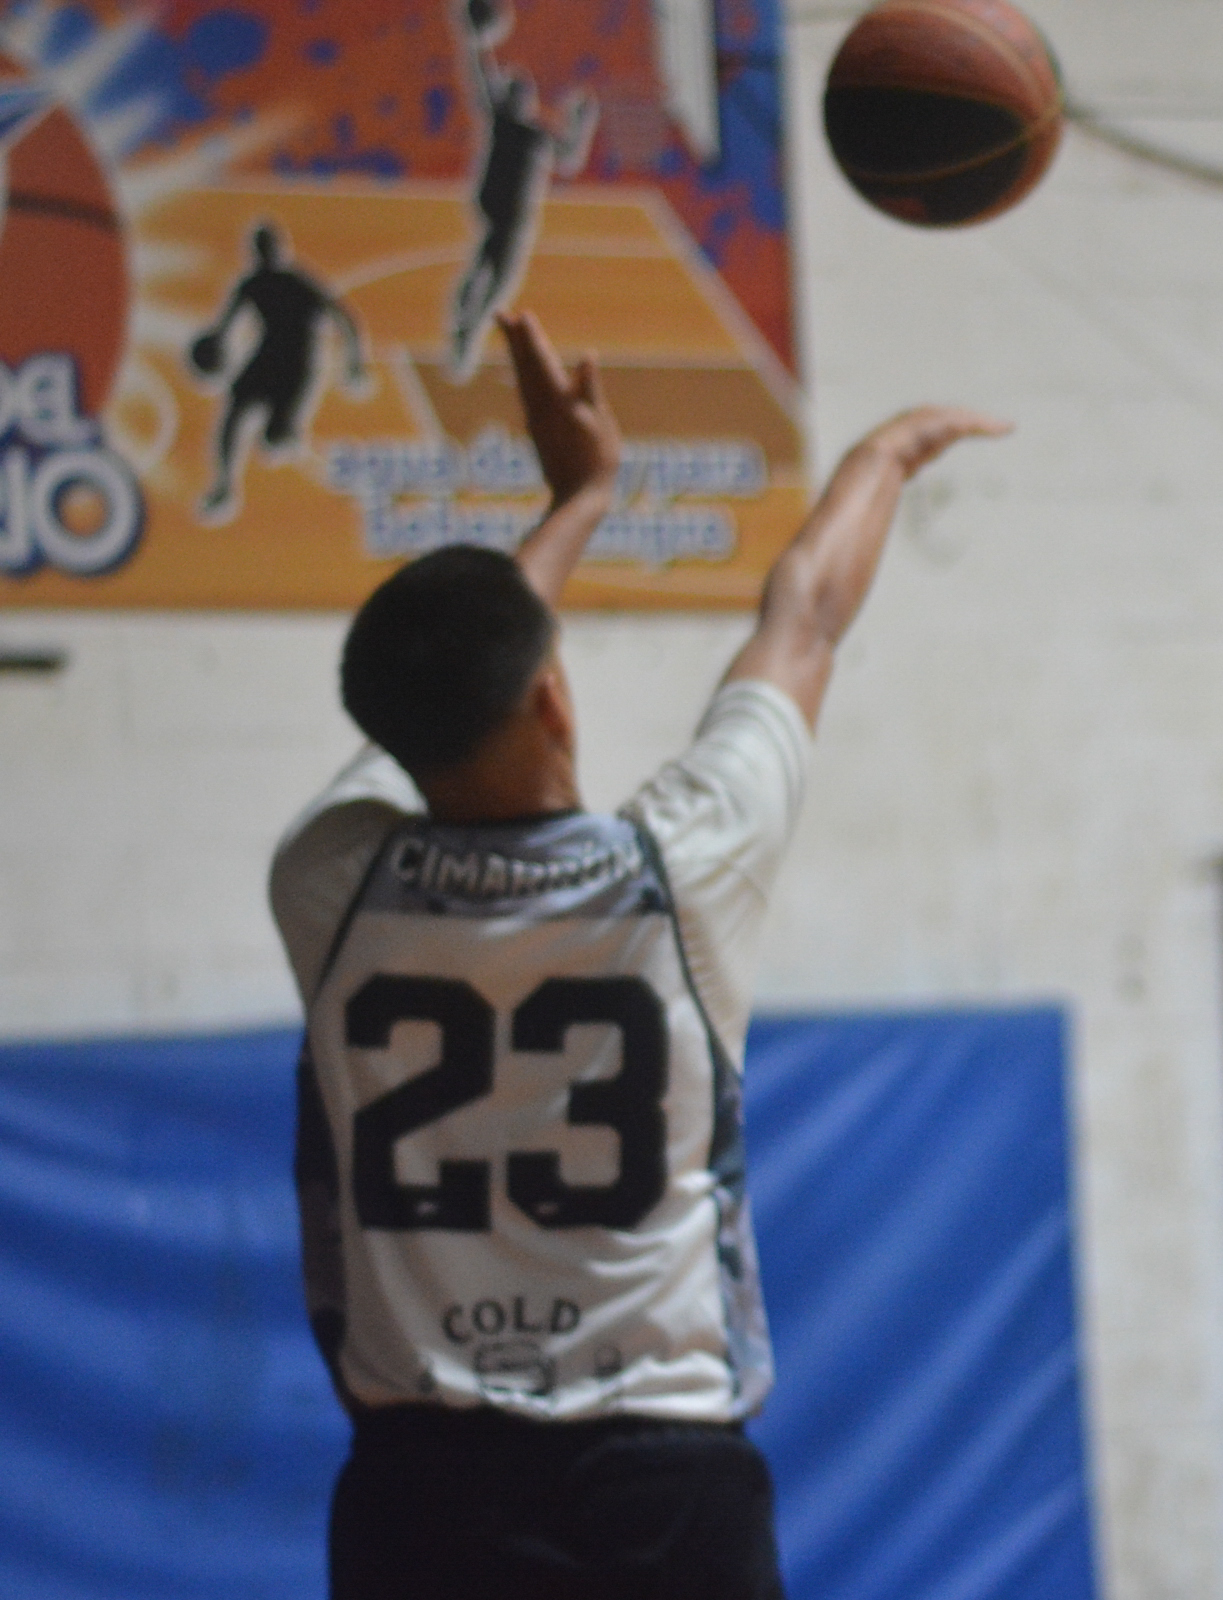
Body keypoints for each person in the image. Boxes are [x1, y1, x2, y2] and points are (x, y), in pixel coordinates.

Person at [268, 307, 1007, 1598]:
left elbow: (445, 693)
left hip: (420, 1490)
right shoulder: (684, 868)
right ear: (554, 692)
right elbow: (806, 618)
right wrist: (883, 454)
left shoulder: (328, 883)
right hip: (658, 1491)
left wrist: (573, 506)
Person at [446, 0, 596, 379]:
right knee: (495, 280)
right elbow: (570, 154)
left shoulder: (519, 128)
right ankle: (467, 328)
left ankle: (464, 322)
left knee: (487, 271)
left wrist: (475, 42)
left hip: (501, 214)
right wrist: (581, 123)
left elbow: (482, 76)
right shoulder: (520, 129)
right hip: (510, 219)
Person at [190, 220, 369, 523]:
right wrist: (215, 350)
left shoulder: (297, 282)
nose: (265, 254)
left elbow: (343, 317)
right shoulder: (252, 284)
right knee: (235, 409)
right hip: (269, 355)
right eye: (261, 248)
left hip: (298, 364)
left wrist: (354, 363)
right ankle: (223, 484)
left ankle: (293, 438)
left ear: (277, 250)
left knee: (274, 442)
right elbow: (223, 328)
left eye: (268, 247)